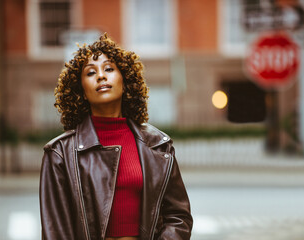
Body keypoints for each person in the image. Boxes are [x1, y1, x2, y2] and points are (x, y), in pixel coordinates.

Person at [40, 33, 193, 240]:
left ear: (125, 81)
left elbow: (178, 216)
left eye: (109, 69)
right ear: (82, 91)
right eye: (91, 73)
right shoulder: (60, 153)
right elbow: (56, 232)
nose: (101, 76)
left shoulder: (158, 145)